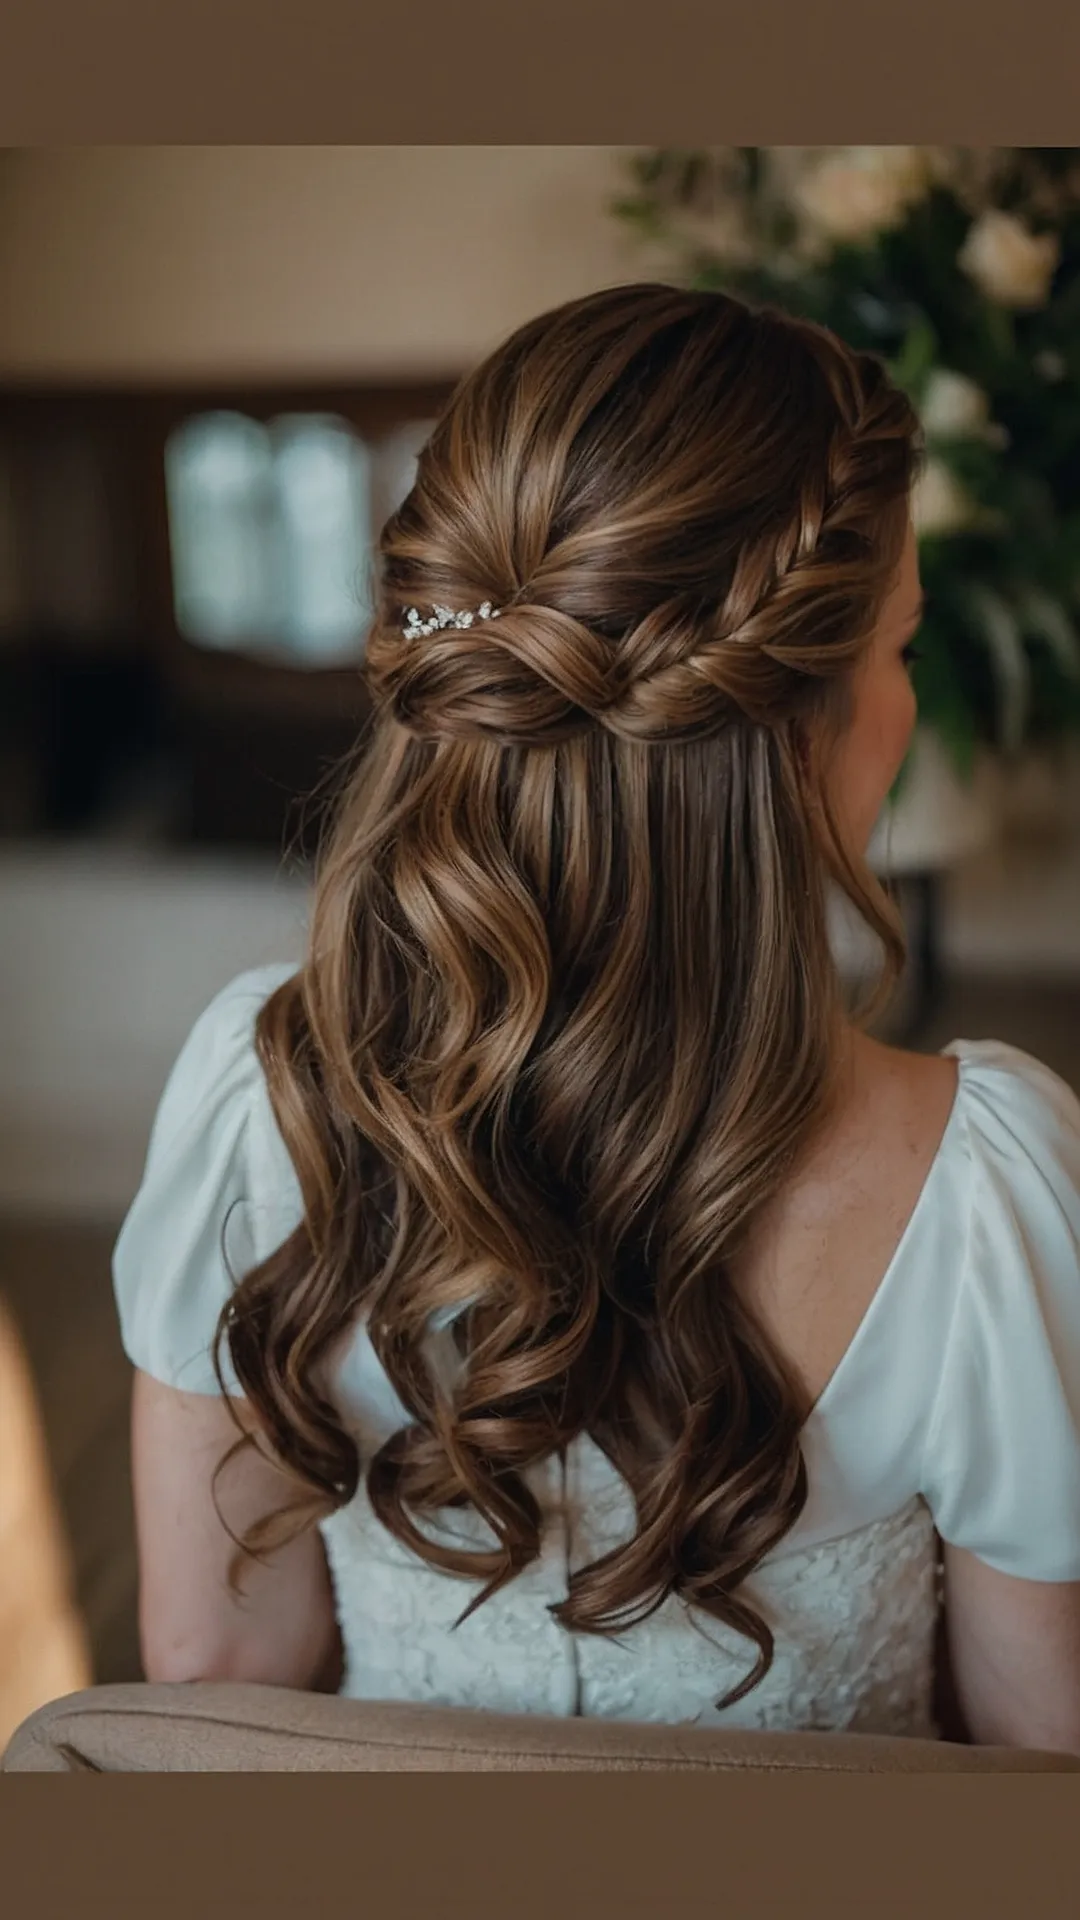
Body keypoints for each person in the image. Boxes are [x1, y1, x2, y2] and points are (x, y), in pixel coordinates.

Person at [113, 284, 1080, 1749]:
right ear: (795, 728)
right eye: (898, 643)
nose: (902, 697)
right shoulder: (987, 1193)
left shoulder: (263, 1102)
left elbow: (210, 1667)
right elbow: (1039, 1760)